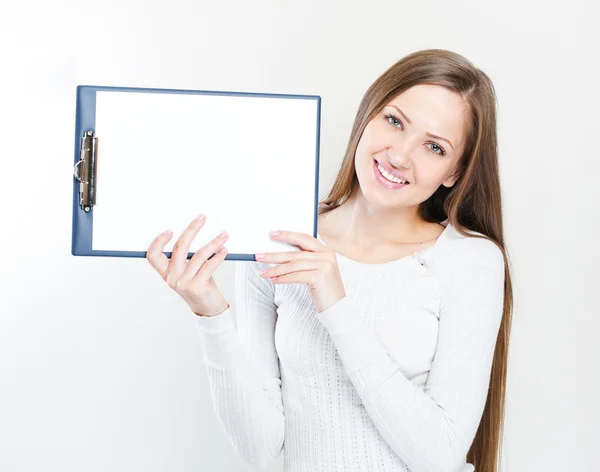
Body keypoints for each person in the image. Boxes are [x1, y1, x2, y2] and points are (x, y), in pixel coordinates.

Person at [146, 49, 514, 472]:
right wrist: (209, 312)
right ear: (367, 116)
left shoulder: (469, 260)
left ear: (454, 172)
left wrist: (337, 304)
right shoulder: (280, 241)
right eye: (394, 121)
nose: (399, 156)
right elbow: (260, 449)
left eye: (434, 147)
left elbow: (441, 456)